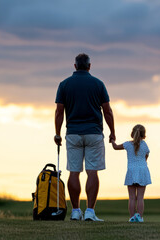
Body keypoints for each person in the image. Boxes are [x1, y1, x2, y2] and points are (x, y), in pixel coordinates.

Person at [54, 53, 116, 221]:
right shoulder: (98, 84)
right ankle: (89, 211)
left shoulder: (64, 84)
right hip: (94, 133)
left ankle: (75, 211)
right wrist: (112, 132)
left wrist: (58, 134)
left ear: (75, 66)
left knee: (74, 172)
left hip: (73, 133)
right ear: (89, 66)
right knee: (92, 172)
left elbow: (59, 111)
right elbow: (107, 111)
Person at [111, 124, 151, 222]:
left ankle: (132, 217)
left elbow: (115, 147)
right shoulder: (145, 145)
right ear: (144, 135)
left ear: (132, 133)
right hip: (142, 171)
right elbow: (146, 158)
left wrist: (112, 140)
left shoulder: (127, 144)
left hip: (131, 171)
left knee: (132, 197)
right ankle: (140, 217)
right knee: (140, 197)